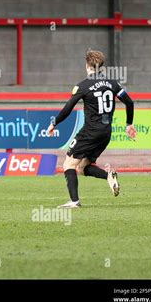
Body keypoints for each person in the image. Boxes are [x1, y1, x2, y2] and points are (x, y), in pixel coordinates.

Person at [46, 50, 137, 208]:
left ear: (87, 65)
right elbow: (129, 102)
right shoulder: (112, 83)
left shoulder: (83, 86)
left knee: (68, 165)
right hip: (106, 132)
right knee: (82, 167)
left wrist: (54, 123)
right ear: (100, 66)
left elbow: (68, 108)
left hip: (89, 132)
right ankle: (109, 176)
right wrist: (129, 124)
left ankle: (74, 201)